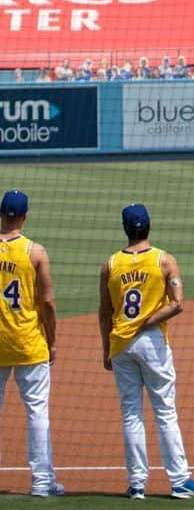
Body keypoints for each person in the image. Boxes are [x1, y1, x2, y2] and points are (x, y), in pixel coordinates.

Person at [98, 204, 194, 500]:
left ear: (124, 229)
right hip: (152, 344)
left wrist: (106, 349)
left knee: (131, 413)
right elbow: (177, 303)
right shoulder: (164, 260)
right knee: (165, 411)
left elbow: (104, 312)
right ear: (149, 226)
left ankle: (136, 484)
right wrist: (147, 321)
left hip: (121, 344)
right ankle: (180, 480)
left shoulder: (110, 264)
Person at [0, 191, 63, 497]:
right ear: (25, 216)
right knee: (37, 413)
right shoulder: (35, 252)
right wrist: (52, 341)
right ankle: (42, 482)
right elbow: (48, 302)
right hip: (28, 342)